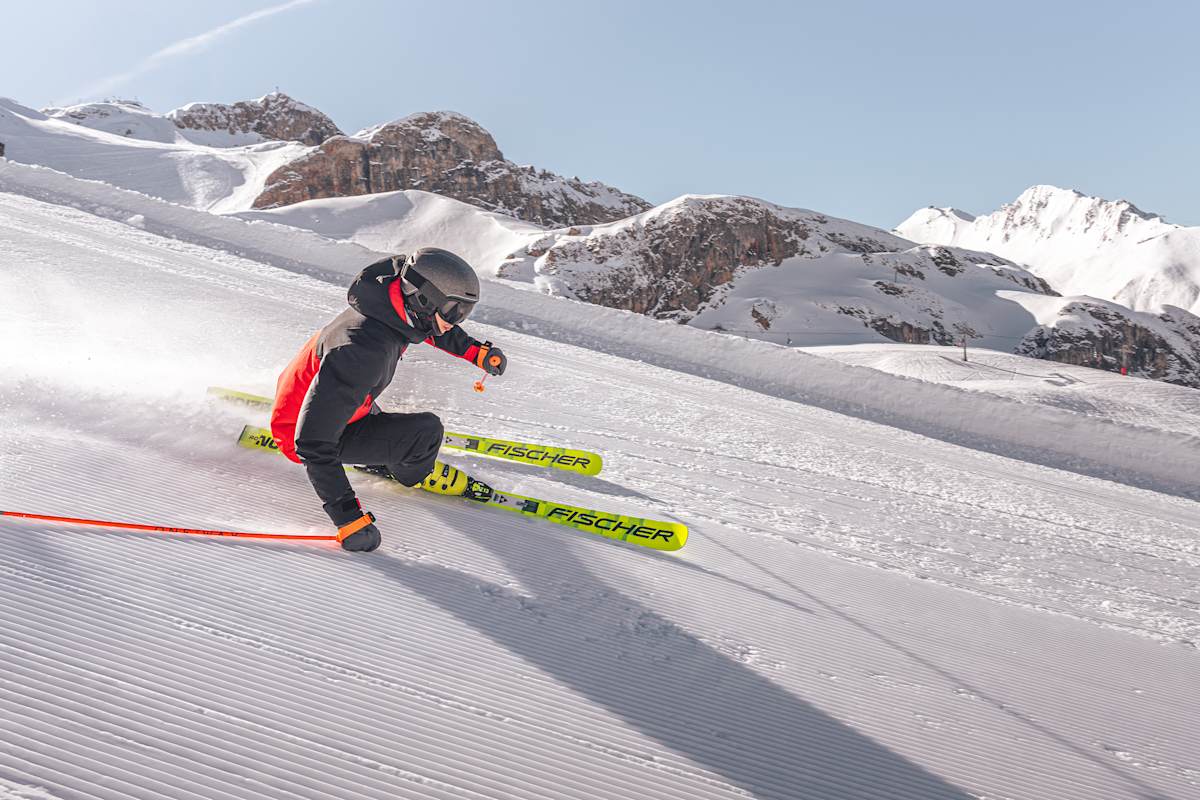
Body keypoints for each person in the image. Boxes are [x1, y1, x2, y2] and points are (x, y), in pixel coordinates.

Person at [270, 248, 507, 552]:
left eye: (464, 312)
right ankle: (411, 472)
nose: (456, 321)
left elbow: (429, 326)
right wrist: (349, 520)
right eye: (453, 311)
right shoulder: (363, 350)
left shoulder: (385, 301)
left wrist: (476, 351)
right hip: (298, 431)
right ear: (423, 298)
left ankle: (378, 450)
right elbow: (312, 443)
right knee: (426, 433)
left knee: (373, 406)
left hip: (307, 397)